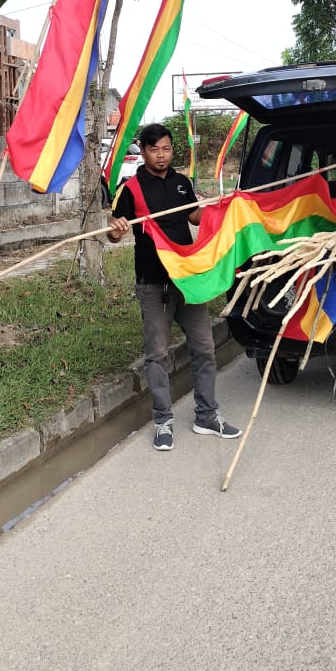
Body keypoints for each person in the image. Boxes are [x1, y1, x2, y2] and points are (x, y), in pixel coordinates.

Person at [107, 122, 241, 452]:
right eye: (155, 150)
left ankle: (207, 416)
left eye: (167, 148)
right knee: (156, 355)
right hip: (153, 283)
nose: (162, 155)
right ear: (144, 150)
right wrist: (117, 229)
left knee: (204, 347)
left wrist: (221, 208)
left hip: (188, 280)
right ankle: (163, 421)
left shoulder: (182, 183)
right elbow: (112, 232)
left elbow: (194, 217)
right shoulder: (131, 189)